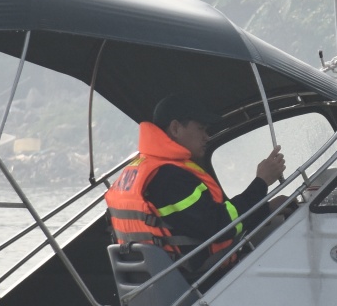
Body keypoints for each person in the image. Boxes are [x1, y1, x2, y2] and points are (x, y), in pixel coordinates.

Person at [106, 93, 286, 285]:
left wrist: (269, 207)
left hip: (159, 279)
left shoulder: (138, 170)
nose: (206, 136)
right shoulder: (169, 177)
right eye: (201, 128)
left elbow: (204, 223)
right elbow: (220, 227)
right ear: (175, 128)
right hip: (202, 280)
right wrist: (261, 182)